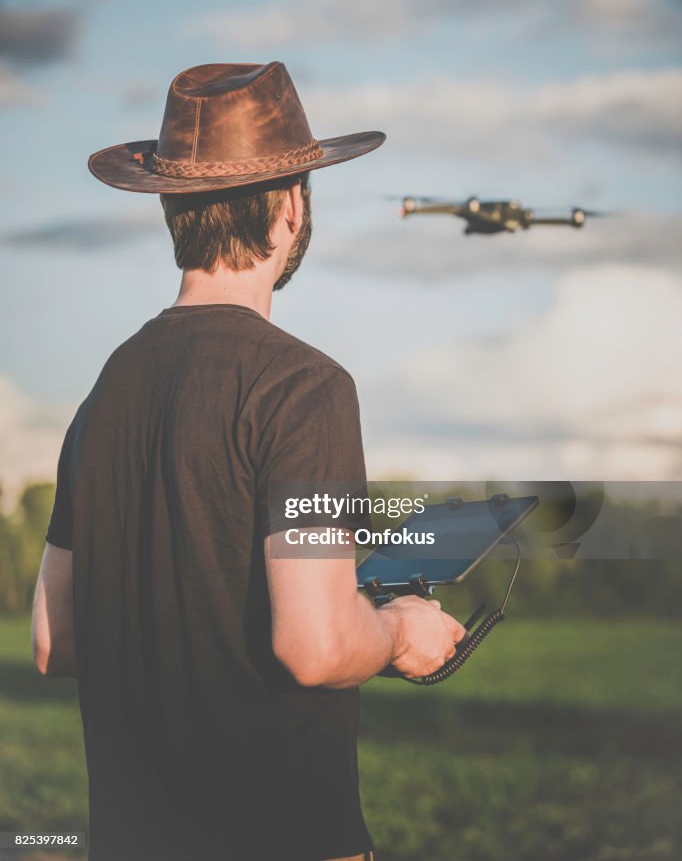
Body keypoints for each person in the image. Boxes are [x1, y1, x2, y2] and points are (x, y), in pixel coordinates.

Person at [31, 62, 465, 861]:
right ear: (291, 207)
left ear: (169, 208)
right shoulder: (306, 391)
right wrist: (402, 629)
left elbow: (57, 642)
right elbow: (318, 646)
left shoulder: (102, 399)